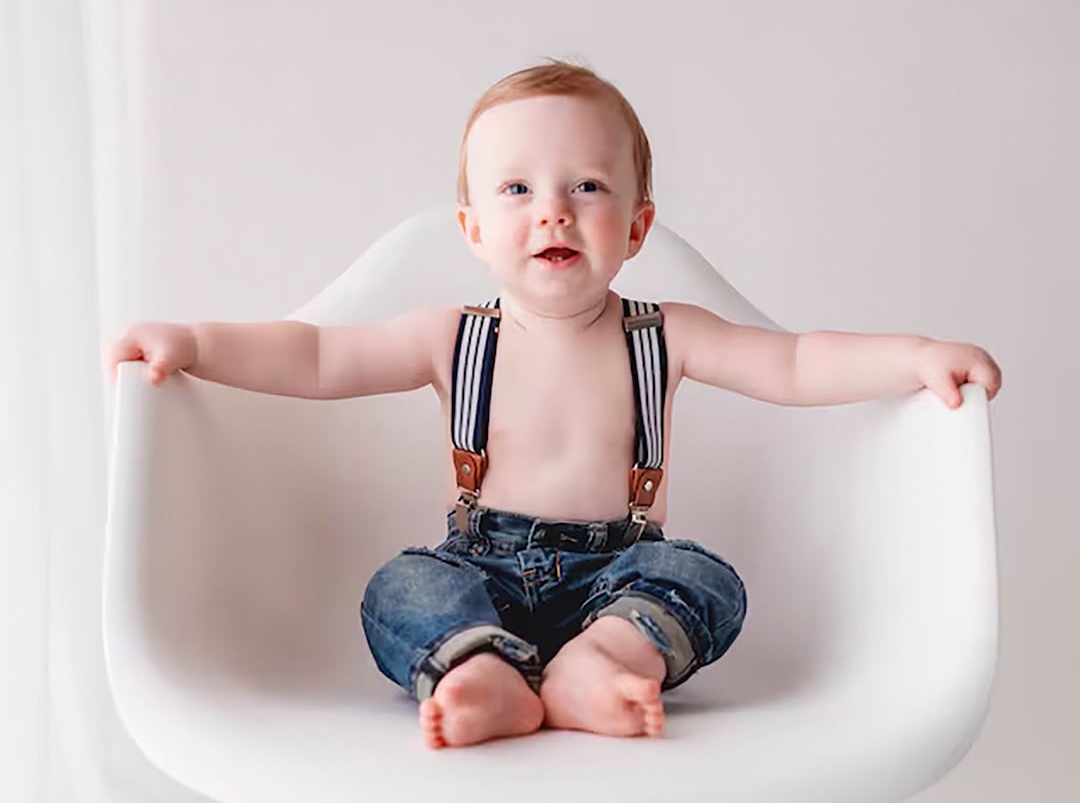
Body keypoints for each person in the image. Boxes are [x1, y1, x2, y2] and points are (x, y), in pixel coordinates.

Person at [106, 60, 1002, 750]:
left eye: (588, 187)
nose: (554, 214)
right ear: (473, 229)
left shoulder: (666, 334)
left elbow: (796, 362)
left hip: (621, 579)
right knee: (401, 586)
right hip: (481, 572)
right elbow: (313, 352)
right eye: (517, 189)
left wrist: (914, 358)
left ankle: (605, 661)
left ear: (637, 227)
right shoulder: (454, 337)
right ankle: (479, 666)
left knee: (706, 578)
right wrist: (197, 343)